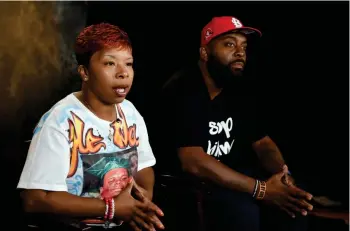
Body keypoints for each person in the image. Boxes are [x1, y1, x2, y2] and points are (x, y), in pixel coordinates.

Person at [160, 16, 314, 231]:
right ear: (205, 53)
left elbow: (263, 143)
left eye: (243, 46)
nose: (240, 52)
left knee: (293, 202)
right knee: (240, 210)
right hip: (189, 184)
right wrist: (261, 189)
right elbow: (192, 161)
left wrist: (283, 176)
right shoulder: (183, 88)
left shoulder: (236, 87)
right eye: (230, 44)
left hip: (231, 179)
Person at [17, 22, 164, 231]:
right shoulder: (59, 121)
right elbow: (35, 199)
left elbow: (144, 167)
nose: (123, 73)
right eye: (110, 63)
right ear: (84, 72)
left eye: (128, 64)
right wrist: (111, 208)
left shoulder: (130, 112)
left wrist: (140, 203)